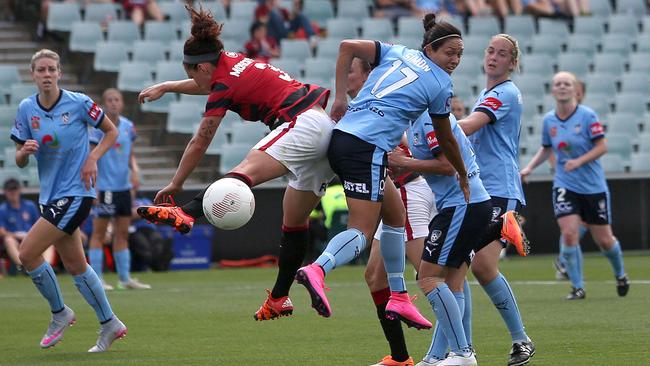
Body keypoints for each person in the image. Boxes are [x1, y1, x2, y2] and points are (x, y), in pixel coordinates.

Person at [135, 4, 334, 321]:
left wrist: (176, 184)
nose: (197, 84)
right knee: (294, 222)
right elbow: (206, 84)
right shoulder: (231, 61)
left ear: (202, 68)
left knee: (239, 177)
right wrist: (169, 85)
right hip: (322, 130)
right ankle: (280, 297)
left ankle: (186, 212)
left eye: (191, 76)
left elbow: (200, 140)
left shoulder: (222, 84)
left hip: (301, 124)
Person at [295, 14, 471, 331]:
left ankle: (399, 296)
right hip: (369, 148)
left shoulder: (398, 51)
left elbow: (347, 46)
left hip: (343, 139)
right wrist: (462, 172)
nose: (455, 60)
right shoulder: (441, 83)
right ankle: (318, 269)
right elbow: (446, 137)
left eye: (459, 54)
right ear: (431, 49)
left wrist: (338, 97)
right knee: (361, 232)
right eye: (450, 53)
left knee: (395, 215)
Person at [10, 49, 126, 352]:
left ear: (60, 73)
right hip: (49, 197)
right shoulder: (26, 108)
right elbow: (20, 160)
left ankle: (60, 313)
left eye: (52, 69)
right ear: (33, 74)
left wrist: (93, 158)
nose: (47, 74)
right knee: (76, 265)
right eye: (41, 70)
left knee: (27, 253)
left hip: (77, 193)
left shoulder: (79, 103)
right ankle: (110, 323)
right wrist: (23, 153)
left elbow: (111, 132)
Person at [440, 34, 534, 366]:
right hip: (482, 190)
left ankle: (460, 351)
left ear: (513, 62)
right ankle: (468, 349)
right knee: (467, 267)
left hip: (500, 190)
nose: (494, 57)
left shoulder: (504, 94)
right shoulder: (489, 93)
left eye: (503, 53)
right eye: (491, 51)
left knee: (464, 266)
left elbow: (468, 126)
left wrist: (432, 128)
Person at [521, 71, 630, 300]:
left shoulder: (588, 116)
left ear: (575, 90)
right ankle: (577, 287)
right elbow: (547, 148)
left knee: (605, 241)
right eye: (558, 83)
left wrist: (579, 161)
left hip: (592, 187)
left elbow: (602, 147)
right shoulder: (549, 120)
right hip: (565, 185)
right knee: (569, 234)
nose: (562, 87)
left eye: (566, 84)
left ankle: (620, 274)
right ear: (552, 90)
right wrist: (529, 168)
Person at [88, 88, 150, 291]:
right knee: (98, 234)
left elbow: (130, 154)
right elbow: (91, 157)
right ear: (104, 104)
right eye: (110, 100)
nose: (113, 103)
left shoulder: (129, 127)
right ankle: (97, 279)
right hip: (105, 187)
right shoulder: (98, 128)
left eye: (117, 100)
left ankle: (124, 279)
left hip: (123, 187)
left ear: (122, 103)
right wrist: (93, 187)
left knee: (122, 233)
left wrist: (134, 171)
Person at [0, 178, 40, 271]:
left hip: (31, 237)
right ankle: (24, 267)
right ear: (5, 192)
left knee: (49, 241)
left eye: (15, 189)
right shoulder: (2, 209)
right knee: (9, 240)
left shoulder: (30, 205)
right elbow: (1, 231)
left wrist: (29, 236)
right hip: (15, 239)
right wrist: (16, 235)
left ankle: (48, 266)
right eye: (10, 190)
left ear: (19, 190)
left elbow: (38, 224)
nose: (13, 192)